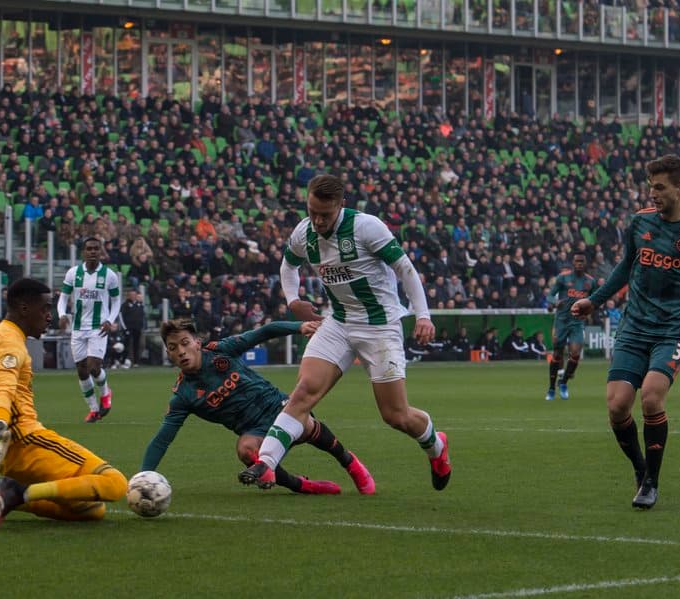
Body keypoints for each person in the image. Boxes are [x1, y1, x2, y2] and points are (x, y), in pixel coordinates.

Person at [239, 174, 451, 492]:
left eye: (325, 213)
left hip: (380, 326)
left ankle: (436, 446)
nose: (318, 220)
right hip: (338, 322)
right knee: (303, 393)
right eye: (312, 211)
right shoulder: (303, 232)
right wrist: (293, 300)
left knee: (395, 415)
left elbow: (404, 268)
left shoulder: (366, 227)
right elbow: (287, 266)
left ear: (342, 205)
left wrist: (423, 315)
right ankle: (265, 463)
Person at [572, 155, 680, 510]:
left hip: (676, 330)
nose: (652, 193)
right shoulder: (640, 223)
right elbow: (625, 267)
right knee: (617, 405)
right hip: (635, 325)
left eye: (659, 187)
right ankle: (641, 470)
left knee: (651, 396)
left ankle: (652, 482)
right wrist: (595, 300)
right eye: (650, 186)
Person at [0, 278, 128, 530]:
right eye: (45, 308)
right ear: (24, 308)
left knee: (91, 508)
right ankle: (17, 491)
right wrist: (1, 423)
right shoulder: (9, 344)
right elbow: (4, 388)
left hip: (3, 451)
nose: (49, 317)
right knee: (115, 483)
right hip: (25, 441)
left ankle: (5, 495)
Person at [142, 318, 375, 495]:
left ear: (197, 343)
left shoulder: (220, 350)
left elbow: (265, 331)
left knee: (304, 424)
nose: (181, 351)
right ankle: (301, 485)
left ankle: (350, 462)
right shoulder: (182, 396)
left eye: (184, 343)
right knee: (245, 449)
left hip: (279, 407)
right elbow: (163, 439)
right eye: (173, 348)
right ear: (168, 354)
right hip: (254, 431)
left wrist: (299, 326)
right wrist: (143, 477)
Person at [56, 237, 121, 422]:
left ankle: (106, 392)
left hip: (98, 328)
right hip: (78, 328)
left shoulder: (110, 275)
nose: (92, 251)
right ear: (83, 252)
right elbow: (63, 297)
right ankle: (93, 409)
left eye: (96, 248)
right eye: (89, 249)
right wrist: (62, 315)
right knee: (81, 370)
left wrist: (109, 320)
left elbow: (116, 301)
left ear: (101, 252)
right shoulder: (73, 273)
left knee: (93, 366)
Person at [545, 252, 598, 401]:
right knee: (557, 354)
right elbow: (550, 295)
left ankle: (563, 383)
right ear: (573, 263)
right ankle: (550, 388)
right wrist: (554, 303)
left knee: (575, 353)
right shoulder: (563, 277)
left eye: (582, 261)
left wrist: (589, 312)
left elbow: (596, 300)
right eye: (577, 261)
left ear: (585, 264)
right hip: (561, 320)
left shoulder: (590, 282)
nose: (579, 264)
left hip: (576, 322)